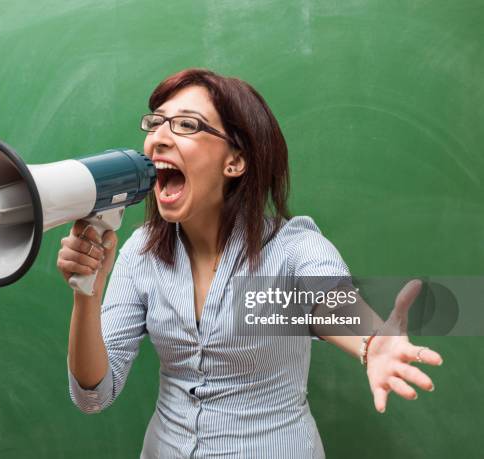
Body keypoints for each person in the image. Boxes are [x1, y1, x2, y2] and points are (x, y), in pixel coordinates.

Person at [57, 68, 443, 458]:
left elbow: (330, 301)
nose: (159, 138)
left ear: (235, 162)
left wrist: (371, 343)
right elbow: (94, 396)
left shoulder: (292, 249)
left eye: (186, 125)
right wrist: (87, 292)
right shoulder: (140, 254)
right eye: (155, 122)